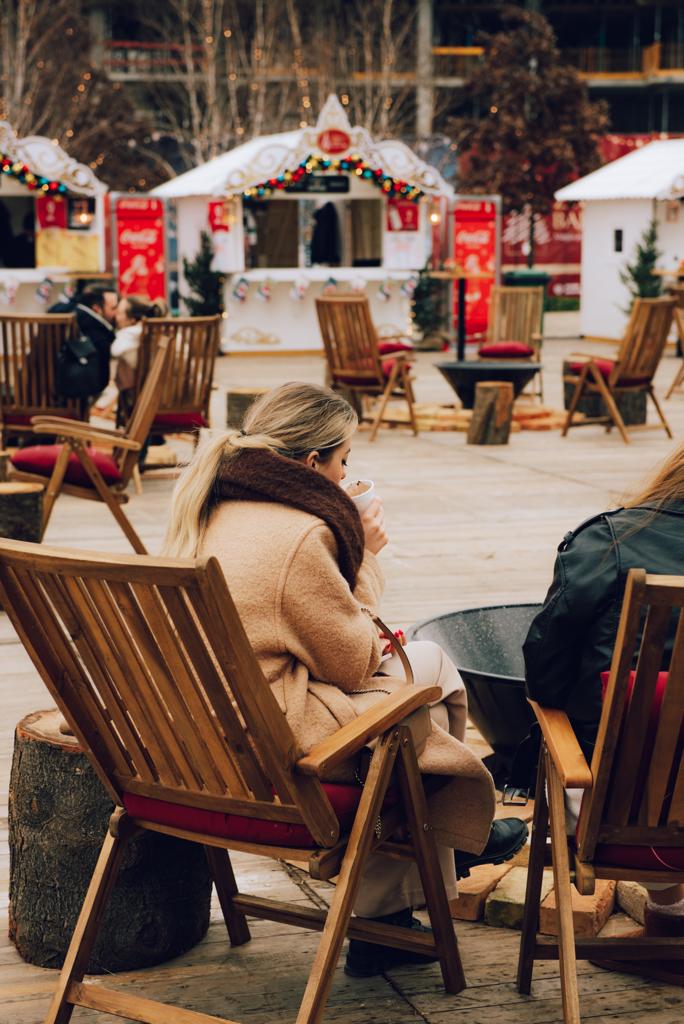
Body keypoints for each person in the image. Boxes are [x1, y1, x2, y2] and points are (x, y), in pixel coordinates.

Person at [163, 382, 527, 977]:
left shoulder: (211, 506)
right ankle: (435, 847)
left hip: (190, 748)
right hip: (275, 755)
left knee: (415, 687)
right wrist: (365, 554)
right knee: (428, 672)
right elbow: (354, 662)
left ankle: (426, 862)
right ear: (312, 463)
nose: (347, 472)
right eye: (345, 461)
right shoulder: (302, 535)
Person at [524, 443, 684, 984]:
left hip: (619, 809)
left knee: (605, 756)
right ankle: (672, 925)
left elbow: (544, 671)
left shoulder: (609, 542)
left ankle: (672, 922)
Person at [50, 285, 118, 397]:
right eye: (113, 308)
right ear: (96, 308)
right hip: (73, 393)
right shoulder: (94, 329)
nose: (116, 313)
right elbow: (102, 381)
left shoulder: (59, 311)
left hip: (38, 387)